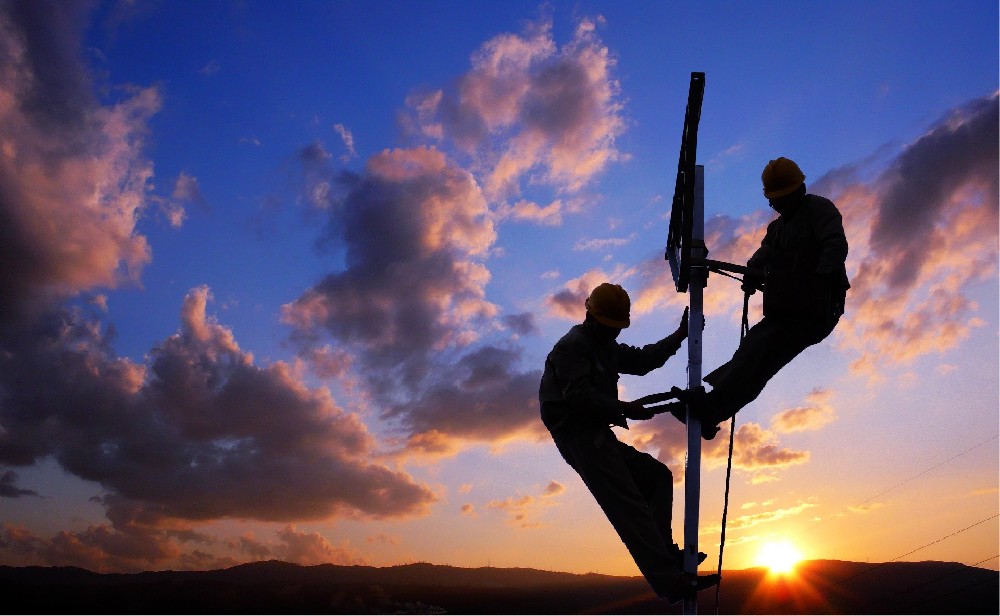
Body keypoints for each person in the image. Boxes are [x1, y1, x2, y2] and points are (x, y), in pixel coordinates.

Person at [538, 282, 720, 604]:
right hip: (579, 438)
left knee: (657, 477)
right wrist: (624, 409)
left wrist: (680, 335)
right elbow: (578, 397)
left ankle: (668, 556)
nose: (614, 334)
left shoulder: (606, 346)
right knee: (629, 506)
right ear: (591, 318)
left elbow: (644, 360)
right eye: (609, 327)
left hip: (597, 432)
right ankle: (671, 582)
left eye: (617, 329)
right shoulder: (572, 347)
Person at [668, 157, 850, 438]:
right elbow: (766, 253)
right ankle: (712, 408)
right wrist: (753, 271)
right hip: (789, 309)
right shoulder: (777, 229)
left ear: (799, 191)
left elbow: (835, 246)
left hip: (816, 310)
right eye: (774, 202)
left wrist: (815, 282)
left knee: (760, 352)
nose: (778, 206)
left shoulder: (819, 210)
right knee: (753, 351)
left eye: (782, 200)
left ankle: (712, 407)